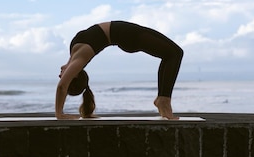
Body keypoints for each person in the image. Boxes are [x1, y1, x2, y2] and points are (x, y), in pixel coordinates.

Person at [55, 21, 184, 120]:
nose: (60, 75)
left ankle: (163, 99)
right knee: (175, 53)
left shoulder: (74, 54)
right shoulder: (80, 58)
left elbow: (65, 85)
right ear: (75, 75)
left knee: (172, 54)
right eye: (64, 76)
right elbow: (62, 87)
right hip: (127, 35)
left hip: (124, 34)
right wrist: (59, 113)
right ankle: (164, 100)